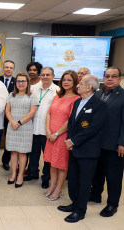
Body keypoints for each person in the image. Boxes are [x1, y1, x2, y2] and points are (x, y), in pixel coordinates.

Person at [58, 75, 107, 223]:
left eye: (80, 83)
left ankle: (80, 210)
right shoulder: (78, 101)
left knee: (84, 181)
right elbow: (72, 123)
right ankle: (74, 203)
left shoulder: (99, 105)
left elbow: (93, 128)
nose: (77, 86)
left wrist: (73, 140)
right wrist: (70, 141)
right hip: (74, 148)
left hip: (88, 150)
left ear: (89, 87)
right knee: (73, 179)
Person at [90, 66, 124, 217]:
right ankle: (96, 195)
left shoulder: (123, 96)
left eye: (114, 76)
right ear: (103, 78)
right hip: (96, 143)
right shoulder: (97, 94)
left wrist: (122, 142)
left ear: (120, 79)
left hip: (114, 144)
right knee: (97, 172)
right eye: (107, 76)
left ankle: (112, 204)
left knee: (113, 176)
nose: (110, 79)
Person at [43, 70, 79, 201]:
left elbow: (71, 120)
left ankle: (58, 189)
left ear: (75, 82)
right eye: (64, 80)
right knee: (52, 163)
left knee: (61, 164)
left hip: (62, 137)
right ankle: (52, 186)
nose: (66, 82)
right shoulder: (58, 96)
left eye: (69, 80)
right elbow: (49, 113)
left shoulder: (77, 99)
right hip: (50, 135)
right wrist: (47, 130)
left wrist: (57, 133)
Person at [24, 67, 60, 189]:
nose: (45, 77)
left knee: (47, 156)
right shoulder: (34, 88)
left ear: (53, 76)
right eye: (43, 75)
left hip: (48, 130)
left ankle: (46, 178)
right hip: (33, 127)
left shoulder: (57, 91)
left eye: (48, 75)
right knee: (33, 153)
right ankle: (33, 173)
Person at [5, 72, 38, 188]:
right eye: (18, 81)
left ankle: (20, 175)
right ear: (16, 83)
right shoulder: (11, 95)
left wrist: (19, 122)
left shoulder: (32, 96)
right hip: (12, 126)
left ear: (27, 83)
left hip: (25, 127)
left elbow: (32, 112)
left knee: (22, 152)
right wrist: (12, 122)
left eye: (23, 81)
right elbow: (7, 110)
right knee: (13, 152)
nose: (21, 83)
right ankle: (13, 173)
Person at [0, 60, 16, 171]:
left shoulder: (17, 81)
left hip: (10, 115)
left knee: (8, 139)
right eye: (6, 67)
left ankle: (5, 161)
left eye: (11, 67)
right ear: (3, 68)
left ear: (13, 70)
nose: (8, 69)